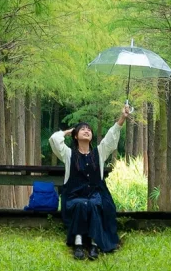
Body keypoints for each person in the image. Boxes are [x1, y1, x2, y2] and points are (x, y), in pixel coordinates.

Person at [49, 106, 131, 260]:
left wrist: (122, 118)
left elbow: (111, 138)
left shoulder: (99, 153)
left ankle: (94, 244)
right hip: (74, 196)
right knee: (81, 204)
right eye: (82, 129)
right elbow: (54, 140)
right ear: (75, 136)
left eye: (89, 130)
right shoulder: (68, 154)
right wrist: (68, 131)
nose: (87, 131)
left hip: (96, 195)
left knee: (93, 204)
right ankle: (78, 244)